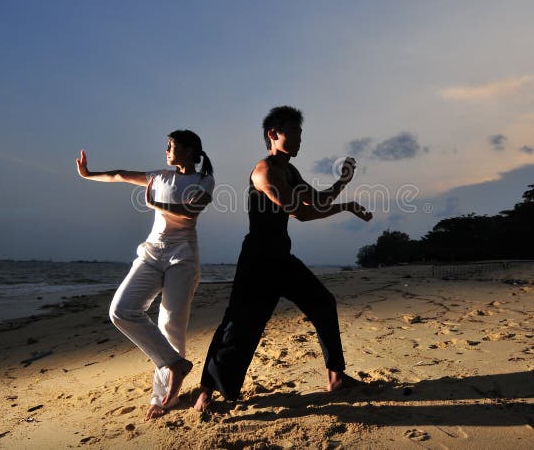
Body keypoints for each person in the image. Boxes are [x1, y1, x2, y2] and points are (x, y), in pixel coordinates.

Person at [194, 106, 372, 411]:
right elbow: (301, 212)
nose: (300, 137)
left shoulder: (289, 170)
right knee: (238, 326)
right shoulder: (264, 172)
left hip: (281, 256)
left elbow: (314, 198)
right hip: (258, 261)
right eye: (294, 131)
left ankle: (336, 377)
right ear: (273, 134)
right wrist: (345, 207)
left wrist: (343, 183)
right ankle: (205, 395)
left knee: (323, 302)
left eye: (301, 131)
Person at [76, 130, 214, 420]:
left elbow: (190, 212)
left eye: (172, 146)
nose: (166, 150)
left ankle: (163, 398)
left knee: (170, 325)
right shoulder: (160, 176)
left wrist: (154, 205)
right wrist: (89, 174)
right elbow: (120, 175)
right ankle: (175, 364)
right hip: (151, 254)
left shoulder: (204, 180)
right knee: (121, 311)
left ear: (189, 151)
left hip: (183, 257)